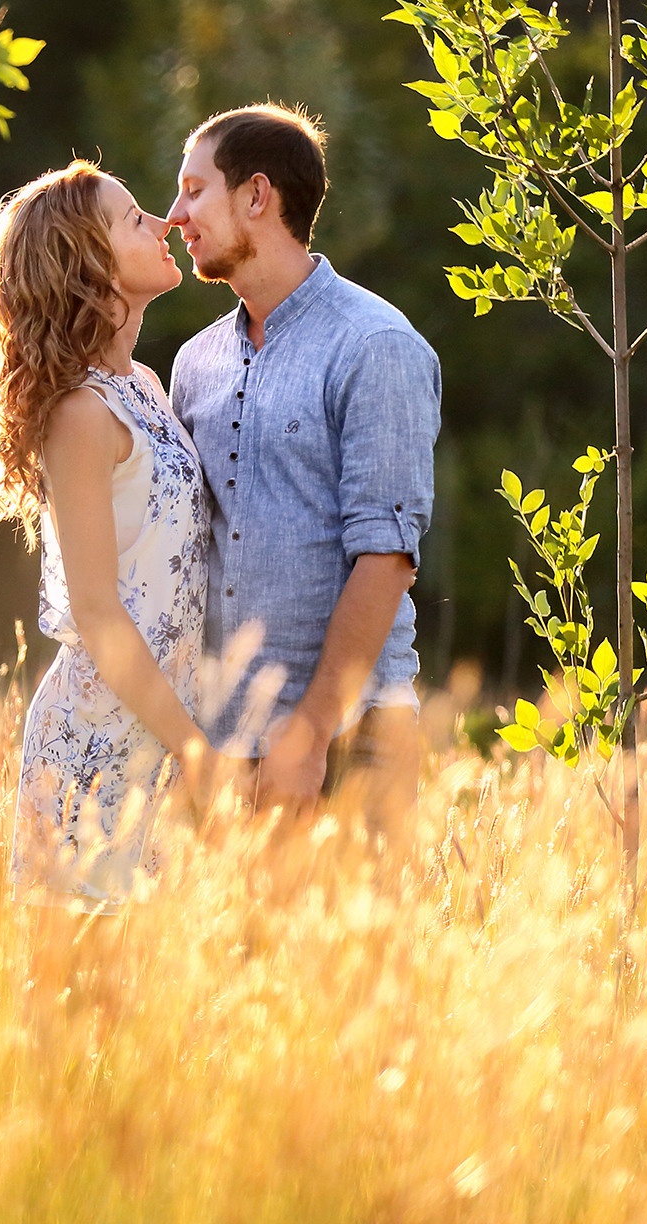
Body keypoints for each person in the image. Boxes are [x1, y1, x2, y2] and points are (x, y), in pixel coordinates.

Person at [167, 104, 441, 834]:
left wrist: (310, 733)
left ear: (257, 196)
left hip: (353, 740)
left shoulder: (376, 345)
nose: (175, 215)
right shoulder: (193, 363)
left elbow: (386, 557)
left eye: (194, 191)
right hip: (222, 748)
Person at [0, 160, 214, 906]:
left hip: (159, 734)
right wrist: (195, 747)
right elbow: (97, 611)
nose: (163, 222)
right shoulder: (79, 414)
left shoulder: (145, 387)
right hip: (100, 739)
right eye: (134, 218)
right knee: (80, 995)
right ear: (89, 263)